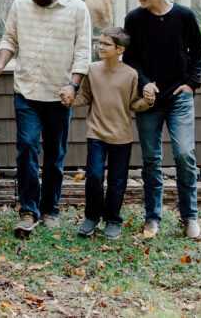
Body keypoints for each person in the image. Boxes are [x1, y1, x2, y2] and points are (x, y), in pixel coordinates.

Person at [0, 0, 92, 236]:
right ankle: (28, 210)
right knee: (27, 148)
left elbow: (82, 51)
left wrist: (74, 86)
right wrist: (0, 63)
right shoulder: (21, 4)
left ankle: (50, 210)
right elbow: (9, 39)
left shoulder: (77, 9)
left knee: (55, 155)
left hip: (59, 93)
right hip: (27, 91)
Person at [122, 0, 201, 239]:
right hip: (148, 101)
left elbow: (199, 52)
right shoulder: (134, 19)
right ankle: (152, 218)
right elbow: (130, 58)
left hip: (179, 98)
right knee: (151, 160)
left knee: (184, 154)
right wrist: (144, 82)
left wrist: (191, 84)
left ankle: (190, 217)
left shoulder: (184, 16)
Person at [60, 27, 156, 239]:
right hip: (96, 132)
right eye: (99, 42)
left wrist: (148, 101)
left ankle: (113, 219)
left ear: (119, 49)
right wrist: (69, 100)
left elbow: (134, 104)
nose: (100, 47)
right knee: (93, 176)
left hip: (121, 136)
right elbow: (85, 97)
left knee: (117, 180)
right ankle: (91, 217)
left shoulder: (131, 74)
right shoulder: (92, 70)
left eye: (105, 44)